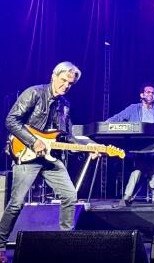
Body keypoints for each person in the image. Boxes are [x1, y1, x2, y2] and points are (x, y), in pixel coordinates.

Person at [0, 61, 94, 262]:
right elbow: (11, 120)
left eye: (70, 83)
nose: (66, 86)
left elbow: (66, 136)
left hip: (50, 158)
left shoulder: (65, 105)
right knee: (16, 204)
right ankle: (0, 246)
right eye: (63, 80)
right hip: (26, 154)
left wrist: (87, 149)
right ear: (53, 76)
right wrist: (34, 142)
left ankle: (65, 243)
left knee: (70, 196)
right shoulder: (34, 93)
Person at [106, 84, 154, 206]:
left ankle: (133, 196)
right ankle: (134, 196)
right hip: (139, 147)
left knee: (149, 170)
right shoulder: (133, 108)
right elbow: (118, 118)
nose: (150, 94)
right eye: (148, 92)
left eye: (153, 93)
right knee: (139, 169)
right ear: (142, 95)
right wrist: (104, 125)